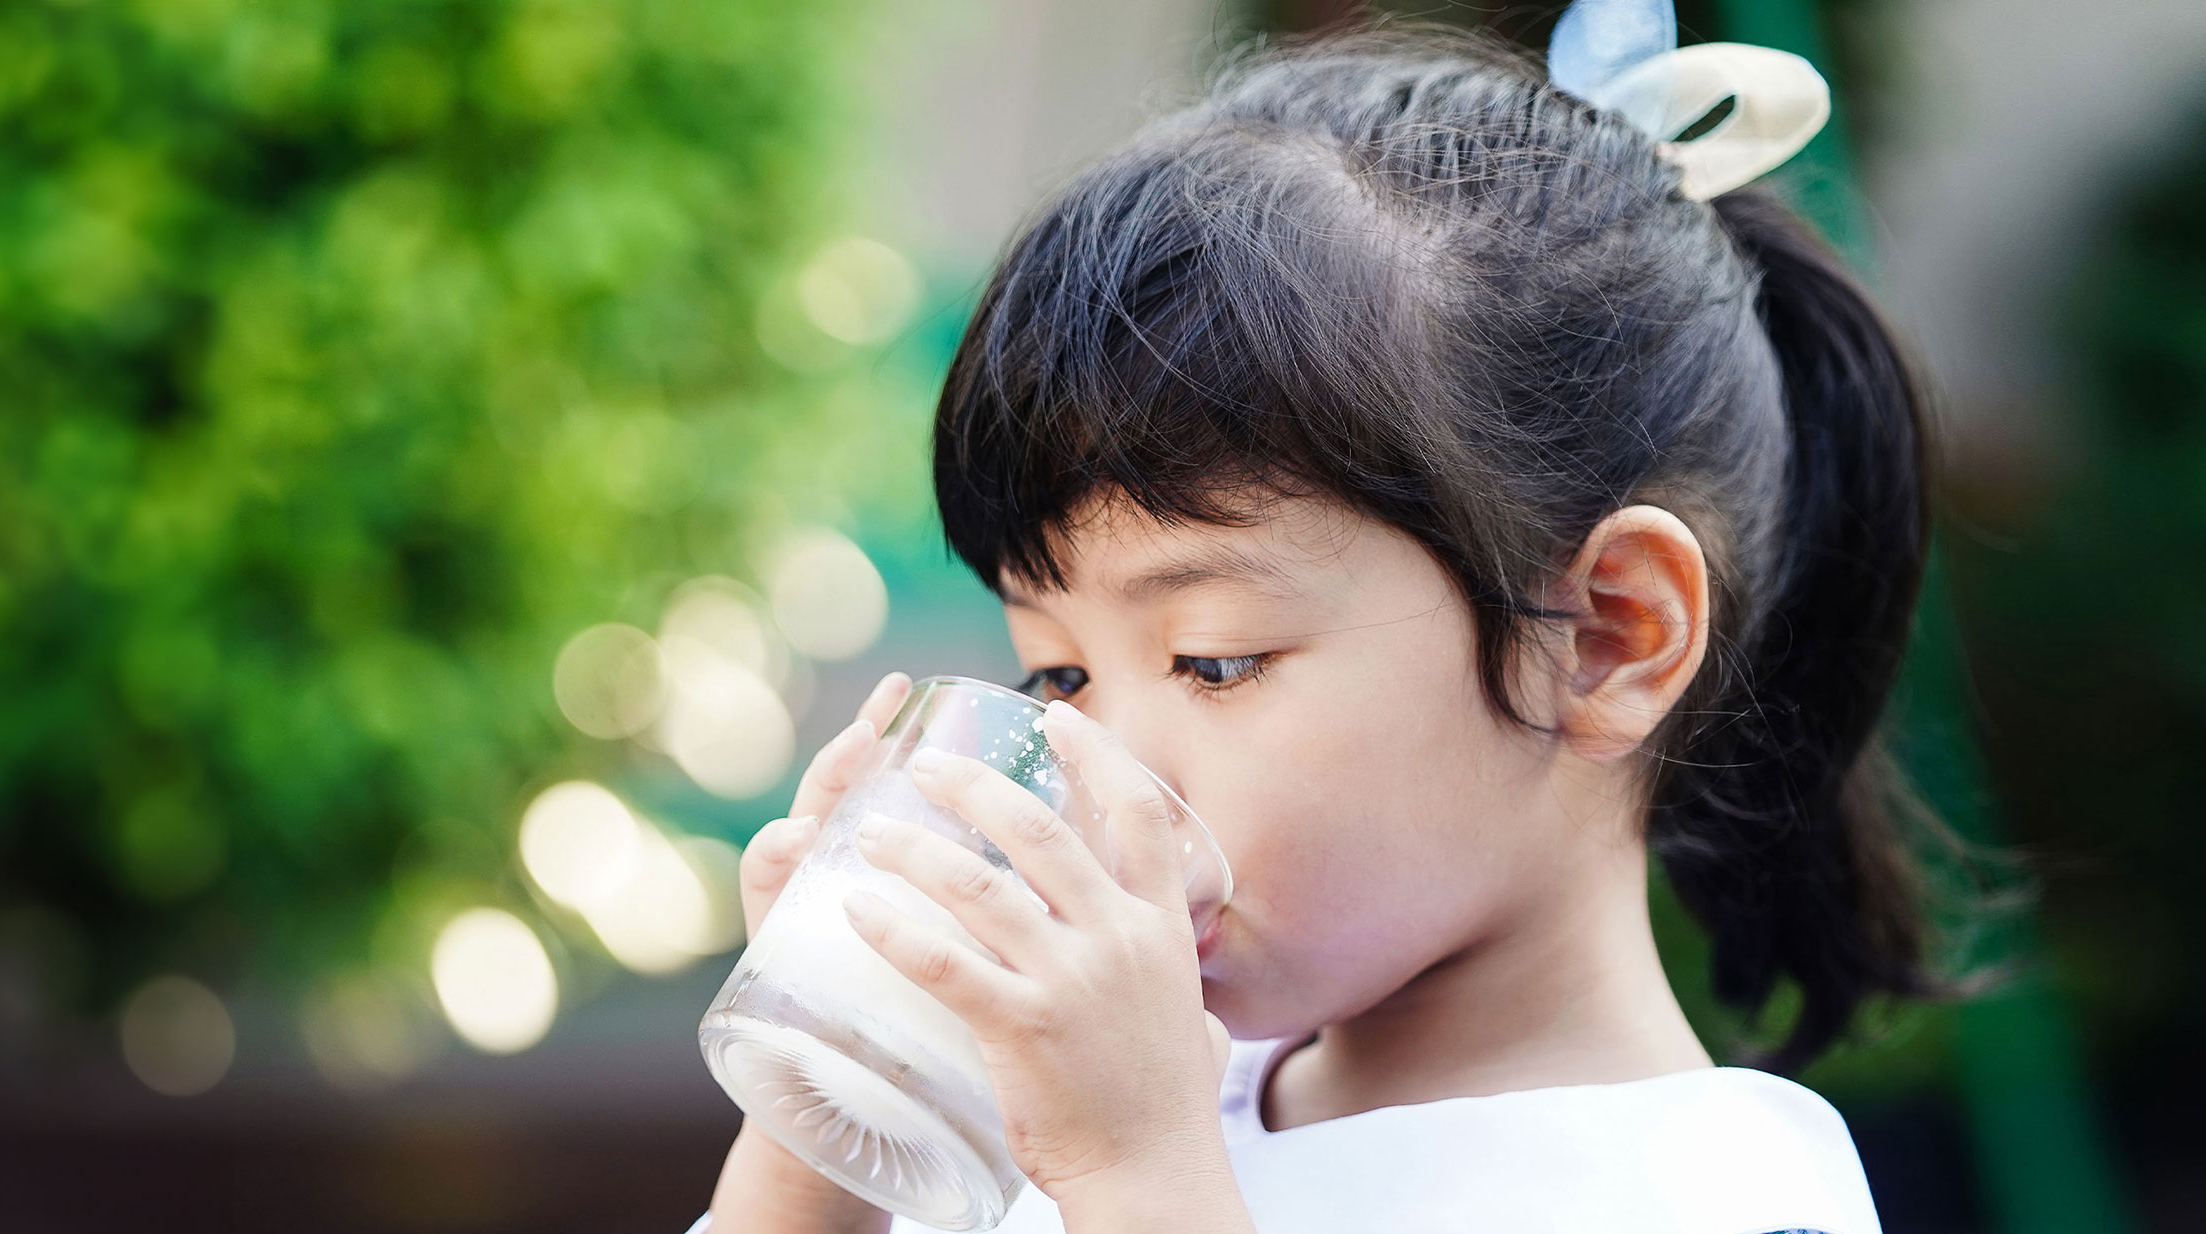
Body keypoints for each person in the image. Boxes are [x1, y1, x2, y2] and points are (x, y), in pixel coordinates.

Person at [689, 15, 1975, 1234]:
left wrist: (1137, 1180)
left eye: (1215, 659)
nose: (1104, 776)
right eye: (1060, 673)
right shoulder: (1100, 1095)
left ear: (1604, 636)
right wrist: (829, 1122)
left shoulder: (1705, 1192)